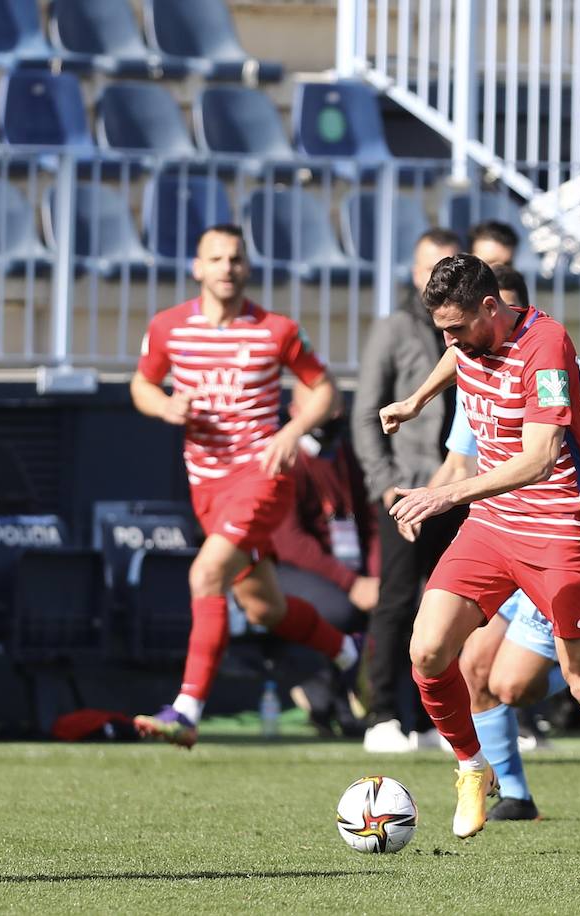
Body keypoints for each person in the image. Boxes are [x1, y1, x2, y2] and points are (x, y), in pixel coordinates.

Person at [379, 254, 580, 857]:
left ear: (491, 308)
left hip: (557, 530)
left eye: (456, 327)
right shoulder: (467, 341)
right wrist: (417, 400)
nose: (449, 341)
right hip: (493, 526)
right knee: (428, 649)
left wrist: (445, 494)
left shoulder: (547, 346)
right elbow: (458, 355)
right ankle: (474, 767)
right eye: (441, 329)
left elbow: (540, 457)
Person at [129, 223, 358, 749]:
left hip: (261, 476)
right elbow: (141, 382)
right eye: (216, 258)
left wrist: (293, 432)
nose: (226, 268)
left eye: (235, 258)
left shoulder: (275, 329)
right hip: (206, 485)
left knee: (205, 572)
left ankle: (186, 709)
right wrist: (165, 405)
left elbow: (323, 388)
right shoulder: (168, 328)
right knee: (264, 608)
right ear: (197, 268)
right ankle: (348, 652)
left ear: (246, 267)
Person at [352, 227, 466, 753]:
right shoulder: (395, 328)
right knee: (396, 602)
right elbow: (365, 412)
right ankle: (381, 714)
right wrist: (385, 486)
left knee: (452, 607)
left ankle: (435, 720)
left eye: (444, 266)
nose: (434, 277)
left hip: (465, 489)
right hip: (410, 490)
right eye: (426, 268)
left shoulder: (472, 329)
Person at [270, 398, 379, 737]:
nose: (332, 413)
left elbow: (372, 524)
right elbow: (291, 544)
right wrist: (352, 583)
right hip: (293, 571)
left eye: (334, 405)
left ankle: (372, 701)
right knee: (340, 609)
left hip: (353, 572)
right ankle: (324, 692)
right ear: (295, 410)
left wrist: (375, 577)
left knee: (398, 603)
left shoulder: (347, 457)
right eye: (320, 404)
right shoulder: (286, 458)